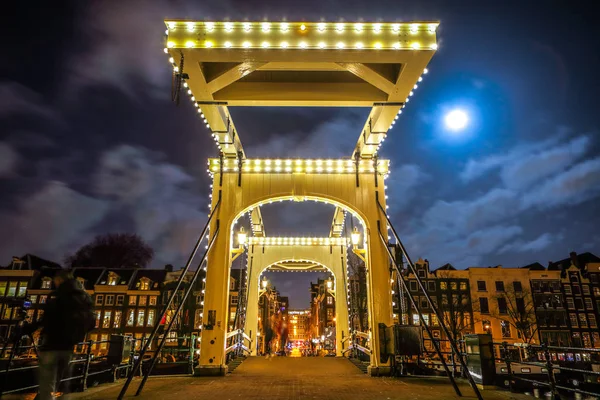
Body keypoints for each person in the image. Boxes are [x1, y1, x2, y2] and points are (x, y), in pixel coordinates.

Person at [26, 270, 95, 400]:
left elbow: (48, 319)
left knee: (47, 383)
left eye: (55, 281)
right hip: (70, 347)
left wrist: (31, 327)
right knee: (65, 384)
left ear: (59, 280)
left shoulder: (59, 296)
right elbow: (92, 323)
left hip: (52, 345)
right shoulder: (84, 297)